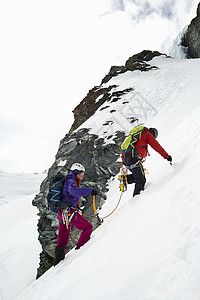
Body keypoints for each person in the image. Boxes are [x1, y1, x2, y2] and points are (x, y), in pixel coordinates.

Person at [54, 163, 97, 266]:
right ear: (76, 173)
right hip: (68, 212)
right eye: (81, 173)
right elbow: (75, 192)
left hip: (63, 213)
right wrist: (90, 190)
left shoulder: (70, 181)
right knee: (88, 227)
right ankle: (80, 249)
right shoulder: (70, 182)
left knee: (62, 238)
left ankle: (58, 262)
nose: (82, 175)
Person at [121, 127, 172, 197]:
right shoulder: (146, 134)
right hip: (134, 159)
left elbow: (125, 150)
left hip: (127, 159)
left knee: (139, 177)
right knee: (140, 181)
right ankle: (136, 201)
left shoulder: (135, 136)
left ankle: (126, 179)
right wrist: (167, 156)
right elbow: (157, 146)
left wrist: (124, 161)